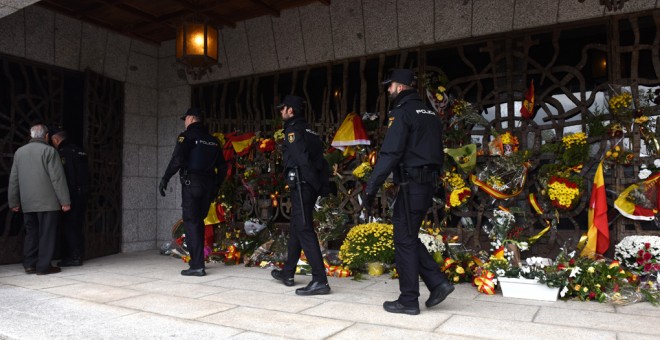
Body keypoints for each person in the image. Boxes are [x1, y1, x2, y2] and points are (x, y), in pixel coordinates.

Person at [362, 69, 454, 315]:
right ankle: (437, 283)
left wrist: (370, 188)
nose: (388, 90)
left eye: (389, 86)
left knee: (403, 238)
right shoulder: (430, 114)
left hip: (411, 184)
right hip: (425, 184)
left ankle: (408, 300)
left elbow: (390, 153)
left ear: (400, 87)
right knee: (409, 235)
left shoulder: (402, 113)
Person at [271, 95, 331, 295]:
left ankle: (320, 279)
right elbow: (321, 161)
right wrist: (319, 186)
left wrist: (312, 183)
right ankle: (288, 272)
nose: (281, 112)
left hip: (302, 183)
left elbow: (302, 159)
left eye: (283, 108)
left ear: (291, 110)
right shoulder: (310, 131)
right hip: (309, 185)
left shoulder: (293, 129)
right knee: (297, 227)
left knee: (304, 229)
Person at [159, 107, 226, 276]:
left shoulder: (187, 136)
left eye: (185, 119)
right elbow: (223, 167)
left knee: (191, 222)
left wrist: (165, 178)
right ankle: (198, 261)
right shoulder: (213, 140)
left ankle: (197, 265)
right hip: (208, 187)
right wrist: (216, 186)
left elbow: (177, 159)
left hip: (192, 185)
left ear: (190, 118)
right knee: (199, 222)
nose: (185, 122)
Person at [8, 124, 71, 275]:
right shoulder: (50, 151)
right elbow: (57, 179)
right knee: (46, 234)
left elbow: (14, 179)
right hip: (48, 203)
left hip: (28, 203)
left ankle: (29, 264)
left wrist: (13, 201)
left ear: (31, 136)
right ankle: (43, 267)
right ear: (46, 136)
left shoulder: (19, 152)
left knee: (32, 233)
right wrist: (65, 201)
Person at [50, 127, 90, 267]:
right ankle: (79, 253)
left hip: (73, 194)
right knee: (78, 225)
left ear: (56, 139)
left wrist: (65, 199)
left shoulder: (63, 153)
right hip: (83, 193)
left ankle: (74, 256)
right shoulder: (80, 150)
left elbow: (68, 176)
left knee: (69, 226)